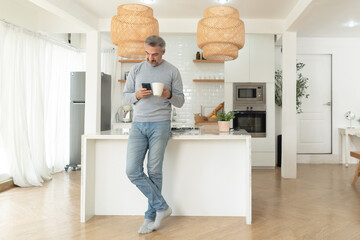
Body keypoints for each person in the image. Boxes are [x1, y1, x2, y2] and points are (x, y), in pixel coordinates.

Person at [122, 35, 185, 234]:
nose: (150, 58)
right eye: (147, 54)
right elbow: (125, 96)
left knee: (154, 171)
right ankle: (162, 207)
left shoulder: (173, 71)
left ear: (163, 52)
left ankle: (150, 218)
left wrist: (168, 95)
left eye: (155, 54)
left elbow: (180, 101)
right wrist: (136, 96)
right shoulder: (136, 69)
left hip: (160, 124)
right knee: (132, 170)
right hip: (138, 124)